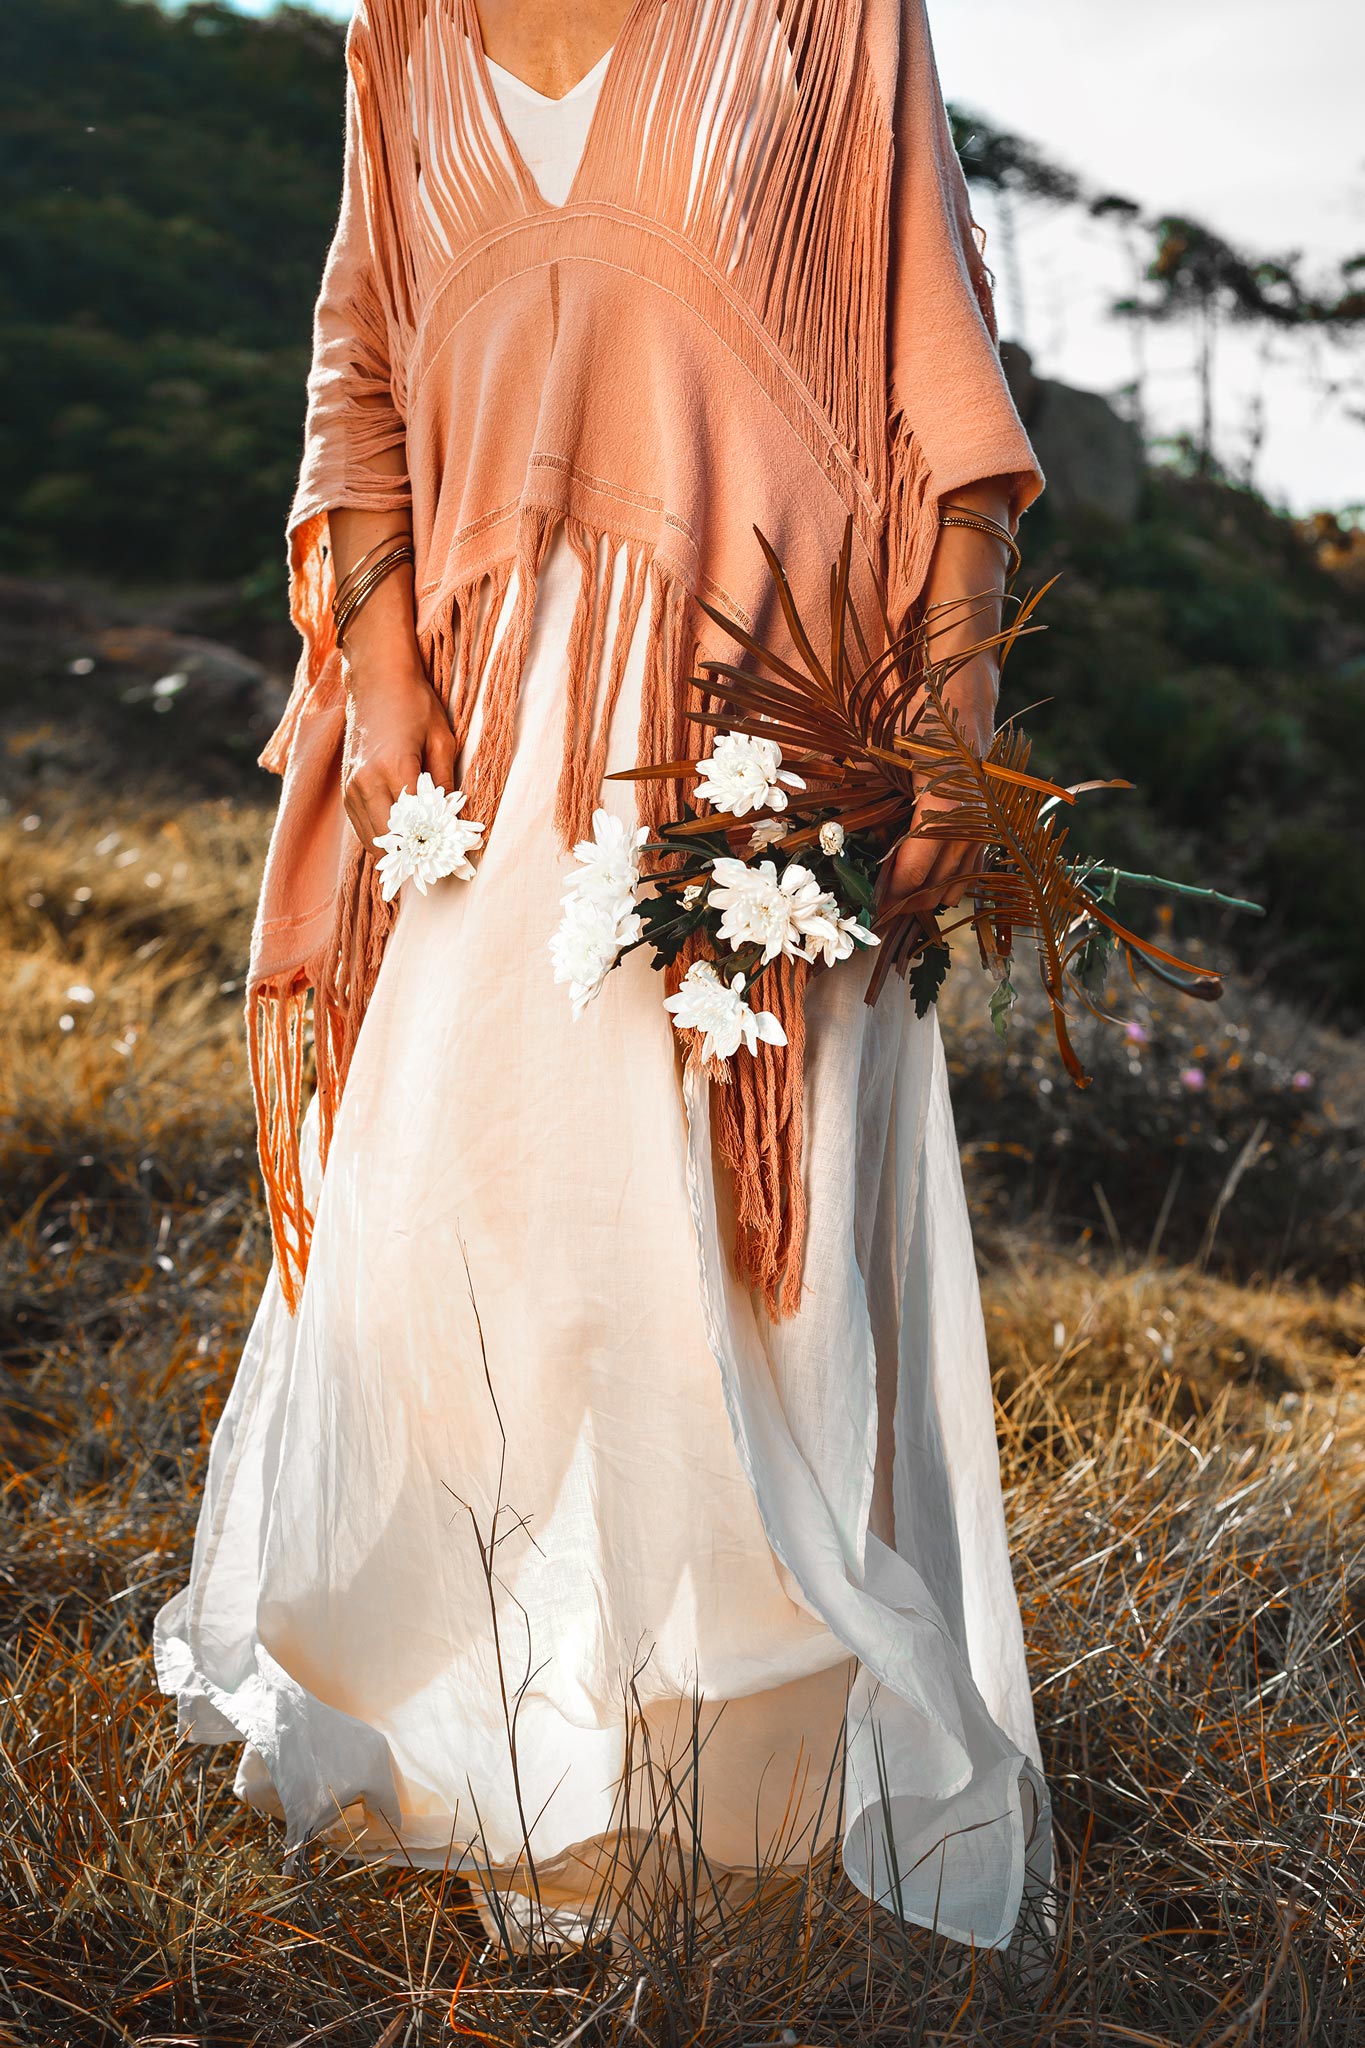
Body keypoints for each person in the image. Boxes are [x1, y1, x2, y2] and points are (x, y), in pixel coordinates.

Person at [155, 0, 1052, 1953]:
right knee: (456, 1246)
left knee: (701, 1283)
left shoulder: (822, 18)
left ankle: (708, 1832)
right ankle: (488, 1755)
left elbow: (934, 360)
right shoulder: (401, 28)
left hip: (745, 708)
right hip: (484, 733)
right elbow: (361, 360)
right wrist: (381, 658)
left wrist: (954, 694)